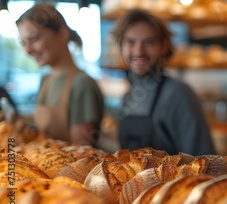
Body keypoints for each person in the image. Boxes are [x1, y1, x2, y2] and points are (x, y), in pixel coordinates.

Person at [111, 9, 215, 156]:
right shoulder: (128, 97)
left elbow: (205, 160)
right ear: (121, 47)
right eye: (130, 42)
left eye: (148, 42)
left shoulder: (178, 94)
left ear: (164, 46)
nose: (139, 51)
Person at [16, 3, 104, 146]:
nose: (28, 50)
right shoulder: (45, 80)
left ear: (62, 34)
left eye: (34, 39)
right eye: (23, 43)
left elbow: (82, 155)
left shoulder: (82, 84)